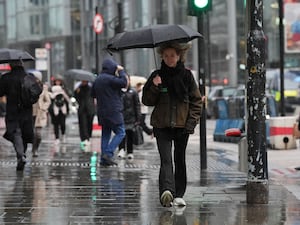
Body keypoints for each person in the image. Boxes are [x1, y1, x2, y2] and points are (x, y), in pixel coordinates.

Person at [142, 42, 203, 208]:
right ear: (162, 56)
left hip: (182, 126)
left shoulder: (187, 76)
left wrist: (191, 123)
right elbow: (146, 100)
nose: (169, 59)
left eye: (173, 55)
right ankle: (166, 192)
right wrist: (154, 86)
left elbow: (196, 101)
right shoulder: (156, 75)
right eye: (166, 55)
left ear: (179, 56)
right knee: (166, 159)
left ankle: (178, 194)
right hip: (161, 126)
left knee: (179, 160)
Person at [91, 58, 127, 166]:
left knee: (105, 134)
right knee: (121, 132)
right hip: (113, 110)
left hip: (102, 111)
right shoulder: (110, 79)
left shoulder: (97, 79)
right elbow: (124, 82)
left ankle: (103, 159)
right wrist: (121, 71)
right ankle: (108, 153)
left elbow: (92, 94)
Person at [0, 61, 35, 171]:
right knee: (24, 134)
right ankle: (21, 155)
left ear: (11, 65)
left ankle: (20, 155)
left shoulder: (6, 78)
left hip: (13, 111)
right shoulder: (29, 77)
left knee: (16, 133)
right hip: (27, 112)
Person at [118, 76, 141, 160]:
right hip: (121, 116)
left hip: (131, 117)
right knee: (121, 134)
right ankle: (121, 149)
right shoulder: (119, 91)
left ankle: (130, 151)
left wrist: (138, 118)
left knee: (130, 134)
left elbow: (137, 105)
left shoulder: (133, 92)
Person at [31, 70, 51, 157]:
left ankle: (35, 149)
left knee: (38, 135)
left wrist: (43, 108)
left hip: (39, 114)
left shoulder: (44, 88)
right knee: (30, 134)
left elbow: (48, 101)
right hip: (30, 113)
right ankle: (31, 148)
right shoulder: (29, 86)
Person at [74, 80, 95, 149]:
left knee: (89, 124)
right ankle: (85, 138)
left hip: (90, 108)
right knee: (83, 124)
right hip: (82, 109)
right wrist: (77, 92)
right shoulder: (78, 88)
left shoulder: (91, 88)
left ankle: (88, 136)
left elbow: (94, 96)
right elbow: (76, 98)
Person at [49, 76, 70, 145]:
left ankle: (63, 135)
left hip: (63, 108)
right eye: (56, 81)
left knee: (62, 123)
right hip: (54, 109)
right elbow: (49, 98)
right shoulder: (51, 89)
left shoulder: (64, 89)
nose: (57, 82)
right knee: (55, 124)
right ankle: (57, 138)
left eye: (59, 81)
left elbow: (68, 98)